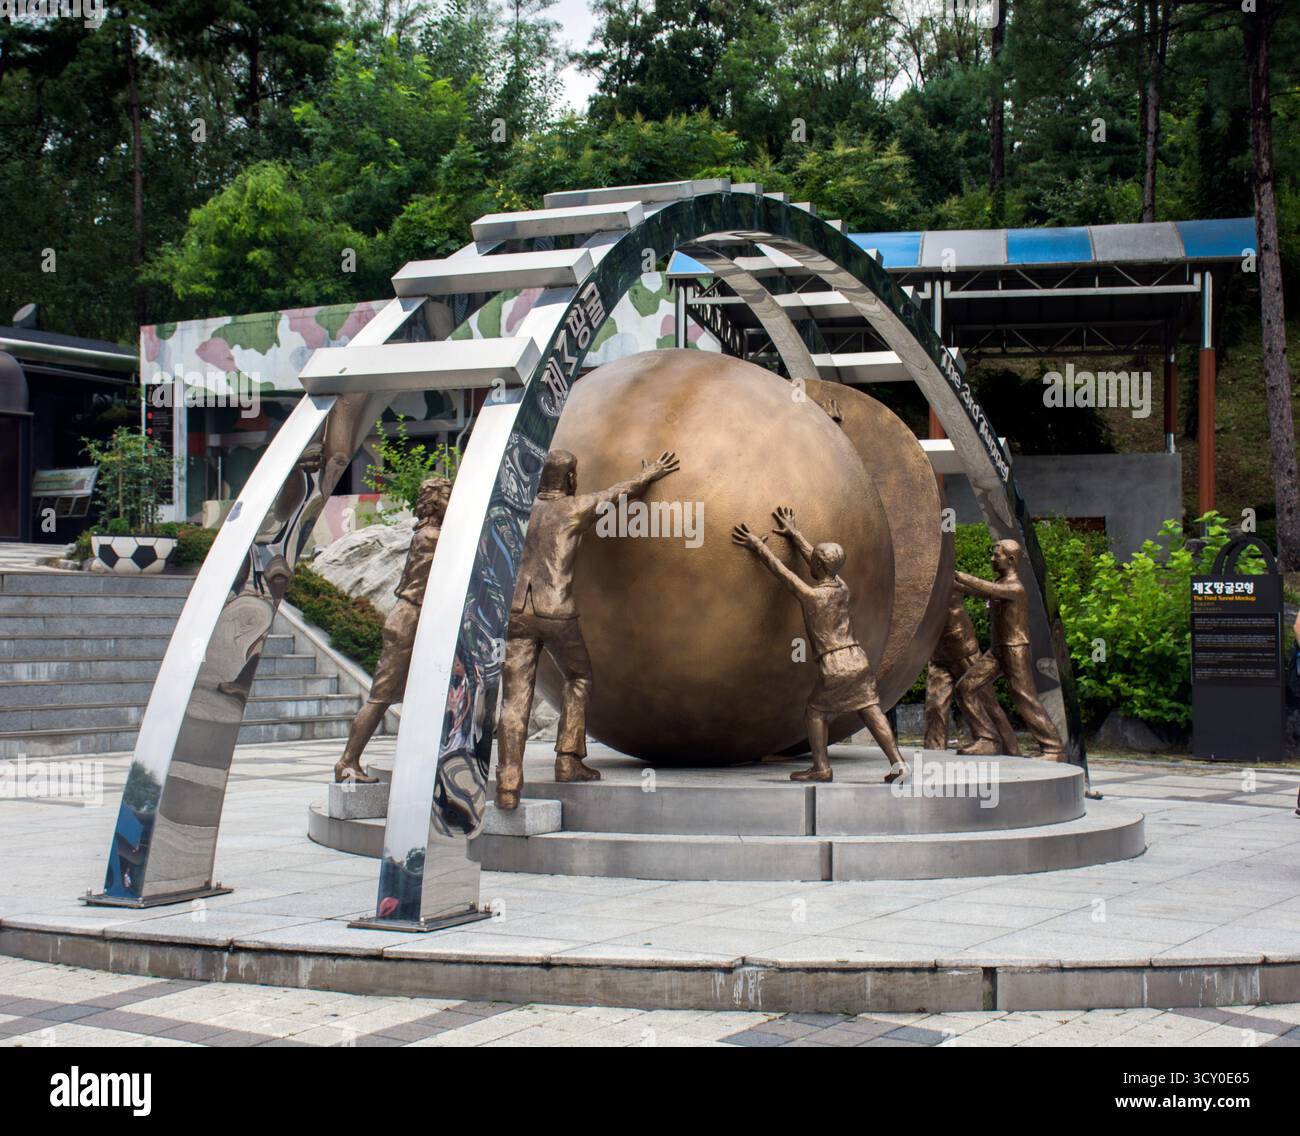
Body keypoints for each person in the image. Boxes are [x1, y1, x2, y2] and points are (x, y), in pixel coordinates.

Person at [495, 448, 680, 809]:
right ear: (571, 479)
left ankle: (508, 781)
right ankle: (568, 760)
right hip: (556, 612)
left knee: (515, 698)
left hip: (517, 612)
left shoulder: (519, 513)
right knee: (579, 677)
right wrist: (648, 475)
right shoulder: (574, 508)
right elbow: (616, 494)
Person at [732, 506, 909, 783]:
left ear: (815, 567)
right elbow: (820, 563)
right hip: (858, 659)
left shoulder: (812, 597)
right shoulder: (842, 588)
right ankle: (898, 762)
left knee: (815, 713)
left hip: (835, 664)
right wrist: (795, 534)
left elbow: (783, 573)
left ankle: (821, 768)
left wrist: (758, 547)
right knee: (870, 709)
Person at [334, 477, 452, 783]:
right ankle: (347, 761)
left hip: (417, 621)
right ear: (436, 501)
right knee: (381, 697)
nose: (453, 501)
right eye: (448, 496)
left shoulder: (431, 533)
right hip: (409, 622)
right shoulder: (434, 537)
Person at [951, 539, 1066, 760]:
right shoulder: (1002, 583)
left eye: (997, 555)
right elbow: (985, 593)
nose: (992, 559)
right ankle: (988, 740)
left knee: (1024, 697)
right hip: (997, 651)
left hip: (1015, 650)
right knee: (965, 688)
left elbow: (990, 589)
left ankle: (1054, 748)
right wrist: (953, 584)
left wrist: (960, 575)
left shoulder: (1015, 587)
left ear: (1011, 560)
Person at [925, 585, 1019, 755]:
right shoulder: (912, 582)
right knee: (934, 706)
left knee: (987, 704)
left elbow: (989, 591)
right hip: (937, 655)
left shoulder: (948, 576)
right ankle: (933, 754)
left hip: (963, 650)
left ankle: (1013, 753)